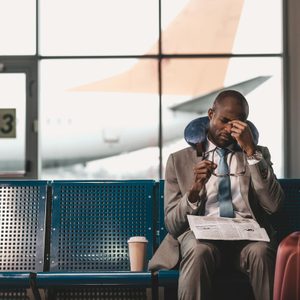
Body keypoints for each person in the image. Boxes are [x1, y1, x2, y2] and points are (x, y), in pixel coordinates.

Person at [148, 90, 284, 300]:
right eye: (224, 120)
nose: (229, 129)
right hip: (202, 237)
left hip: (247, 238)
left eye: (238, 123)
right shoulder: (179, 160)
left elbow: (273, 206)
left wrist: (250, 152)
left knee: (262, 252)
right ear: (211, 114)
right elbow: (173, 225)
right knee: (198, 250)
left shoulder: (258, 154)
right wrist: (194, 191)